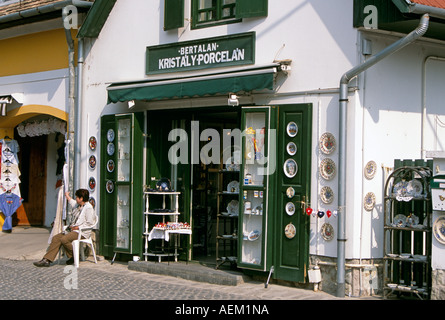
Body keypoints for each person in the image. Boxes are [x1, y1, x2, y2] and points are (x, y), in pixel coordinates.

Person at [33, 189, 96, 267]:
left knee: (64, 239)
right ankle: (46, 260)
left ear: (81, 198)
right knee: (56, 238)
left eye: (77, 197)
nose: (75, 199)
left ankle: (74, 256)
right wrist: (67, 196)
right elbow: (72, 202)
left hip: (81, 232)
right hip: (72, 230)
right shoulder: (78, 205)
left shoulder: (88, 208)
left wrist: (77, 227)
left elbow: (90, 223)